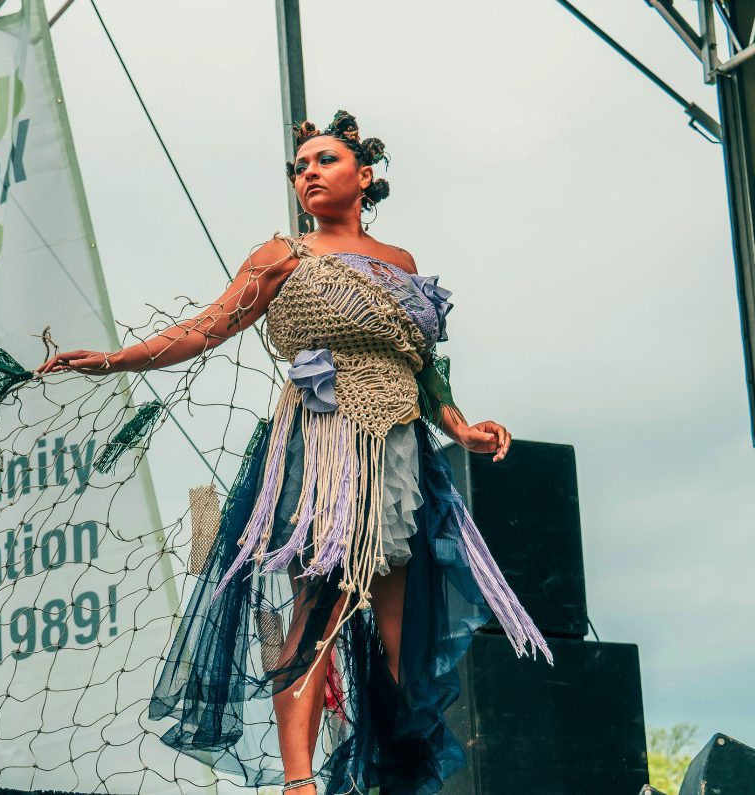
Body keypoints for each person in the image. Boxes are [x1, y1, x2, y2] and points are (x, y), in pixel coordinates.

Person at [36, 110, 552, 795]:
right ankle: (299, 781)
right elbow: (205, 328)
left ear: (364, 176)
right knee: (317, 611)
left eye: (324, 160)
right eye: (299, 166)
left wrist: (461, 428)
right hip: (323, 446)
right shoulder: (282, 254)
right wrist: (114, 360)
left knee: (404, 632)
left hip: (400, 451)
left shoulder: (401, 263)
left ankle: (398, 779)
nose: (307, 172)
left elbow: (424, 367)